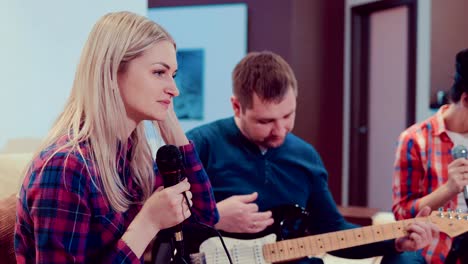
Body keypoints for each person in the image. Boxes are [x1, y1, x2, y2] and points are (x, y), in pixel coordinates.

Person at [186, 51, 438, 263]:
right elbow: (159, 227)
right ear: (236, 107)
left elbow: (332, 231)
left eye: (288, 115)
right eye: (265, 121)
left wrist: (395, 240)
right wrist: (212, 218)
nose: (280, 130)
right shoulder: (198, 145)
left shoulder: (305, 157)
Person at [14, 11, 218, 263]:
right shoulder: (65, 168)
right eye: (158, 73)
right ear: (111, 72)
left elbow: (204, 218)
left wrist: (170, 124)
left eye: (172, 75)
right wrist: (147, 224)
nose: (174, 90)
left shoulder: (132, 157)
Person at [393, 48, 468, 264]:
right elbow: (402, 217)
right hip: (432, 246)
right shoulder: (415, 139)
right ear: (465, 99)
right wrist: (449, 189)